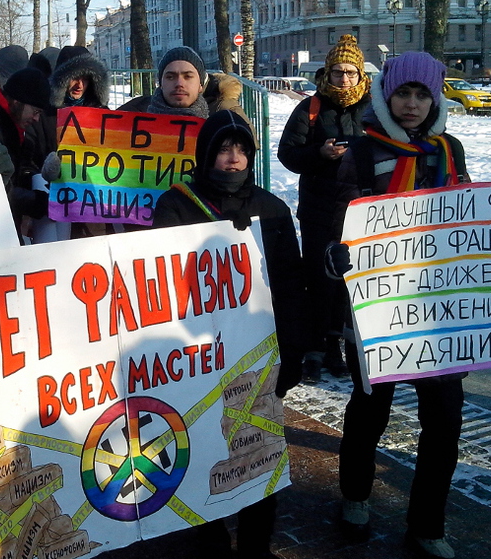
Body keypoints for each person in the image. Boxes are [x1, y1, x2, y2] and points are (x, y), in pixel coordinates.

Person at [328, 51, 469, 559]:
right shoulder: (362, 151)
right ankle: (355, 497)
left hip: (441, 312)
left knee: (445, 421)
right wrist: (339, 253)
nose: (411, 104)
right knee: (370, 412)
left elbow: (469, 217)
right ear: (387, 96)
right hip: (378, 308)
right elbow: (342, 218)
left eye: (421, 94)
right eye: (403, 93)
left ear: (435, 99)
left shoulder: (449, 150)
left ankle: (427, 526)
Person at [153, 109, 306, 559]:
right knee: (204, 447)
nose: (233, 158)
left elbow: (290, 284)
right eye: (223, 148)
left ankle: (257, 547)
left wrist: (293, 350)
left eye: (242, 149)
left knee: (261, 449)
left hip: (258, 353)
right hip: (197, 353)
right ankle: (210, 541)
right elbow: (159, 284)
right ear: (206, 154)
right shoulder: (175, 206)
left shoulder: (272, 208)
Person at [277, 34, 371, 384]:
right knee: (319, 280)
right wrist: (320, 154)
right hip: (319, 209)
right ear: (327, 73)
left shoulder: (374, 108)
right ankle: (313, 350)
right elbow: (288, 153)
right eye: (337, 72)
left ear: (360, 75)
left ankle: (336, 347)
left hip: (359, 211)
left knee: (348, 282)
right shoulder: (311, 108)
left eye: (350, 72)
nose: (344, 79)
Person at [27, 46, 111, 241]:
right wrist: (44, 172)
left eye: (85, 78)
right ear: (61, 79)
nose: (79, 84)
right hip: (53, 210)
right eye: (73, 77)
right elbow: (27, 160)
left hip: (94, 212)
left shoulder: (105, 116)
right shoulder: (43, 115)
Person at [0, 67, 52, 243]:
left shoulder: (9, 122)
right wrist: (36, 202)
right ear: (18, 101)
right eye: (36, 111)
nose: (37, 119)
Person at [118, 46, 250, 125]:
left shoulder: (226, 114)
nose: (179, 84)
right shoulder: (133, 112)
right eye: (170, 77)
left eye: (188, 76)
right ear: (160, 83)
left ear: (200, 84)